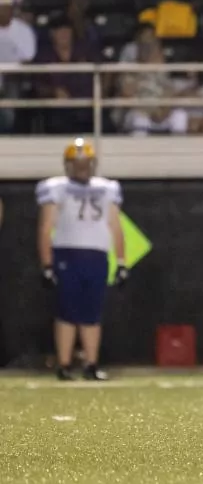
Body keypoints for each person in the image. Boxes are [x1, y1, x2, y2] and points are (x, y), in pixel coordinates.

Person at [36, 139, 128, 381]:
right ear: (68, 165)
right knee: (67, 311)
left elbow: (115, 226)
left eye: (86, 162)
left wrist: (121, 262)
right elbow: (46, 228)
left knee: (92, 312)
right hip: (66, 253)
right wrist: (47, 264)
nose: (82, 167)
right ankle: (64, 365)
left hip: (97, 255)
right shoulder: (56, 187)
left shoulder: (107, 187)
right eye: (77, 163)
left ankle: (91, 364)